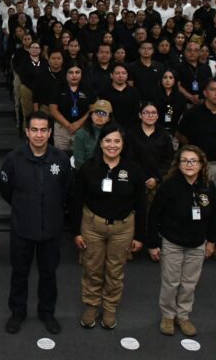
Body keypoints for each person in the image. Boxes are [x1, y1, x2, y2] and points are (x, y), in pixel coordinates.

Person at [0, 111, 73, 335]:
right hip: (22, 227)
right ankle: (18, 312)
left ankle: (47, 312)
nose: (39, 135)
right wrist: (24, 206)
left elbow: (67, 190)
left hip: (51, 228)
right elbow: (6, 190)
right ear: (27, 131)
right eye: (34, 130)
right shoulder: (13, 159)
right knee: (19, 273)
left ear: (50, 132)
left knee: (48, 273)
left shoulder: (61, 159)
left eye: (43, 130)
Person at [71, 123, 146, 330]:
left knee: (115, 270)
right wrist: (76, 232)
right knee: (92, 268)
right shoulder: (88, 167)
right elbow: (76, 201)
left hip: (123, 229)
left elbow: (141, 204)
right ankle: (92, 305)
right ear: (100, 143)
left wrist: (139, 236)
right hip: (92, 226)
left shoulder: (133, 169)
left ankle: (110, 306)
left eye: (117, 141)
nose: (112, 145)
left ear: (123, 144)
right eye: (107, 141)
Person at [147, 145, 216, 337]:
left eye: (193, 161)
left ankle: (183, 316)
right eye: (184, 160)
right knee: (170, 282)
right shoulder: (169, 186)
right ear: (178, 164)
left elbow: (214, 217)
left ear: (201, 164)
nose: (189, 164)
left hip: (197, 244)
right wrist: (153, 244)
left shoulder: (208, 187)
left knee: (189, 283)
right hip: (172, 243)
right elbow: (154, 216)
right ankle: (168, 316)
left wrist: (211, 241)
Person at [177, 78, 216, 203]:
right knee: (194, 201)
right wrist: (193, 149)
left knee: (215, 202)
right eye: (213, 89)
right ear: (205, 93)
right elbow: (180, 134)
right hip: (197, 165)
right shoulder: (192, 113)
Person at [49, 63, 95, 152]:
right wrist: (68, 125)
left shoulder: (88, 88)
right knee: (60, 155)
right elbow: (52, 109)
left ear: (82, 74)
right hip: (61, 128)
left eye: (77, 72)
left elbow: (92, 109)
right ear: (66, 74)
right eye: (71, 72)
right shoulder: (58, 87)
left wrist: (78, 123)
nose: (74, 75)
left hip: (82, 127)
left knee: (80, 155)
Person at [73, 99, 112, 169]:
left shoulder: (114, 133)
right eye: (97, 112)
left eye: (103, 113)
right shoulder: (81, 133)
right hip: (87, 172)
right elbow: (79, 161)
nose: (99, 116)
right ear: (91, 115)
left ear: (109, 118)